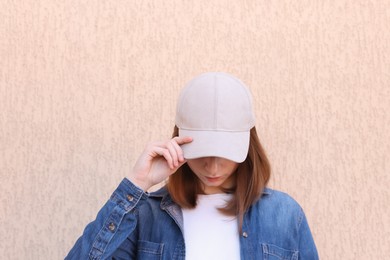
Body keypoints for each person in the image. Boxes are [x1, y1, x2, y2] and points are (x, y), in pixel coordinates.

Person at [65, 72, 319, 259]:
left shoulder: (285, 215)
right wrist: (137, 183)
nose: (213, 168)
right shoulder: (147, 216)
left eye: (225, 154)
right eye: (202, 153)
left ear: (247, 146)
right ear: (179, 141)